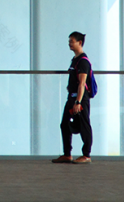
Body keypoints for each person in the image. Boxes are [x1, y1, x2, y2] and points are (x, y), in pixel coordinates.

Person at [52, 31, 93, 164]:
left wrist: (78, 102)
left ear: (79, 43)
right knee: (64, 124)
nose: (69, 43)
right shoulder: (75, 60)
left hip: (80, 99)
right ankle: (67, 154)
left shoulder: (83, 62)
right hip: (71, 98)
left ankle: (86, 155)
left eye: (72, 41)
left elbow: (82, 83)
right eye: (69, 41)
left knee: (84, 126)